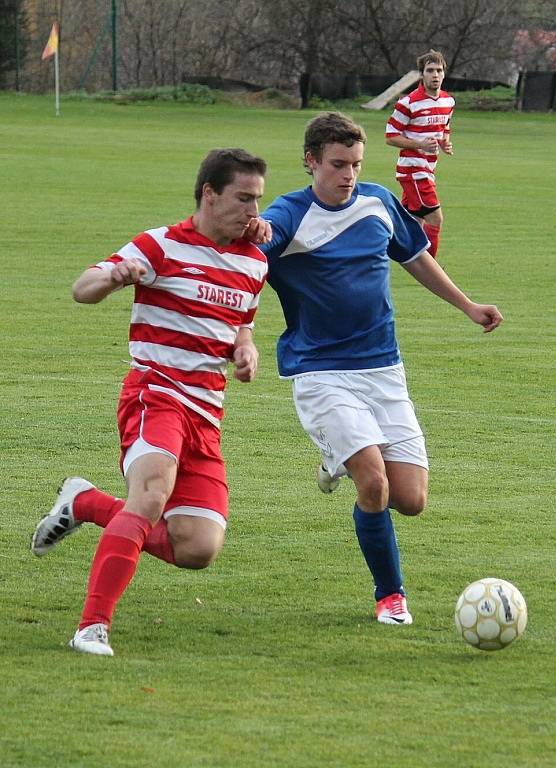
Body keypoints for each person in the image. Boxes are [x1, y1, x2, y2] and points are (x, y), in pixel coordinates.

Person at [259, 112, 502, 625]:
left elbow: (416, 258)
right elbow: (247, 264)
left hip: (384, 369)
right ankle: (391, 596)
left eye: (356, 164)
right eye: (337, 164)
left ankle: (336, 459)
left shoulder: (377, 202)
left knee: (410, 500)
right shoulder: (286, 216)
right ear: (310, 162)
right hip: (321, 371)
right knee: (374, 486)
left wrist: (468, 306)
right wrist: (237, 331)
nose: (348, 174)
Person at [31, 148, 270, 656]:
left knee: (197, 548)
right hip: (155, 394)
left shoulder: (254, 261)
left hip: (207, 415)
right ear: (209, 193)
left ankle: (85, 502)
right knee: (151, 494)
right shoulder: (160, 245)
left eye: (258, 201)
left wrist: (246, 351)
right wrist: (114, 278)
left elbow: (242, 326)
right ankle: (91, 627)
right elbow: (82, 288)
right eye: (243, 199)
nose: (254, 213)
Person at [385, 49, 455, 259]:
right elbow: (390, 137)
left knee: (411, 222)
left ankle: (373, 244)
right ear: (421, 74)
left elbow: (445, 129)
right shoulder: (408, 103)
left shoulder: (448, 102)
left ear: (444, 74)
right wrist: (419, 145)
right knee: (436, 218)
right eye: (430, 70)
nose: (435, 75)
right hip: (413, 170)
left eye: (439, 70)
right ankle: (431, 270)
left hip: (429, 169)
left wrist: (445, 144)